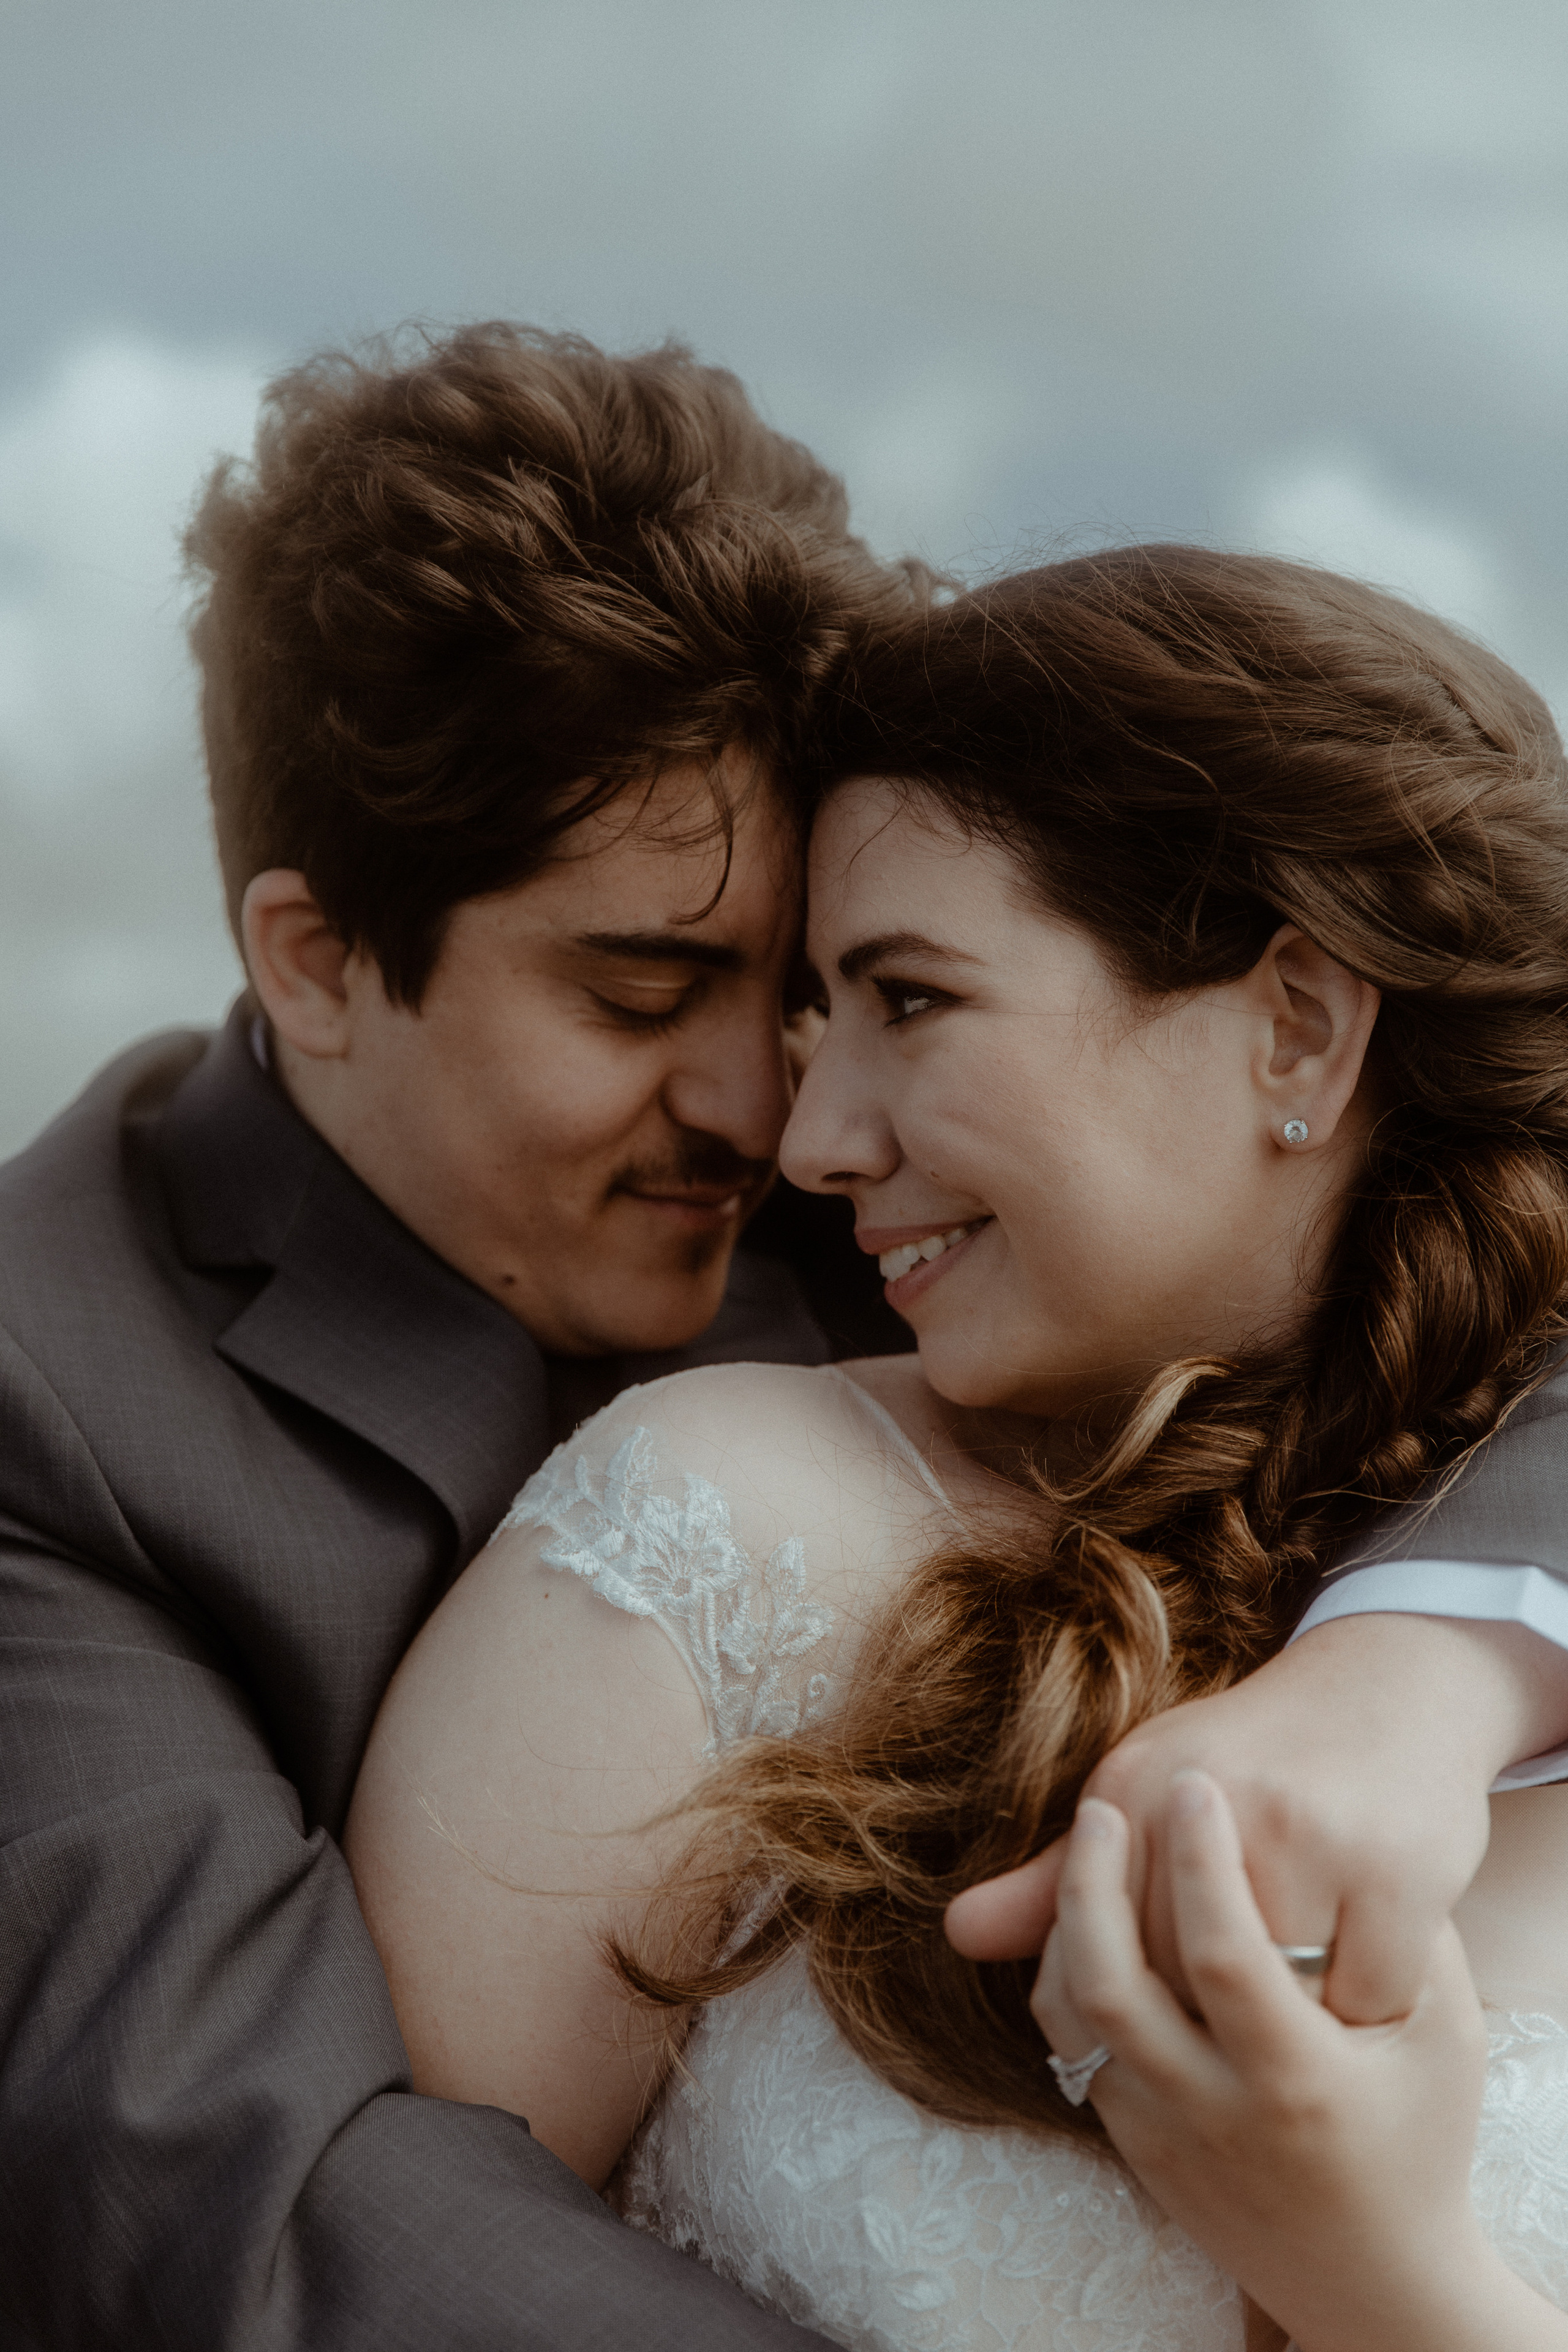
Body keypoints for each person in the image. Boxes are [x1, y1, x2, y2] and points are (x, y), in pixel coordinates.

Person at [347, 547, 1568, 2349]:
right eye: (814, 1019)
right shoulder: (711, 1534)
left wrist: (1388, 2286)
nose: (814, 1136)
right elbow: (371, 2287)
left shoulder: (1496, 1616)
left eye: (910, 999)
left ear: (1296, 1025)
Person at [0, 322, 923, 2352]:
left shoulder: (900, 1153)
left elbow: (1466, 1249)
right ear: (315, 960)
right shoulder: (41, 1411)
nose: (773, 1114)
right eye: (636, 992)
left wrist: (1431, 1658)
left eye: (799, 988)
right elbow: (264, 2224)